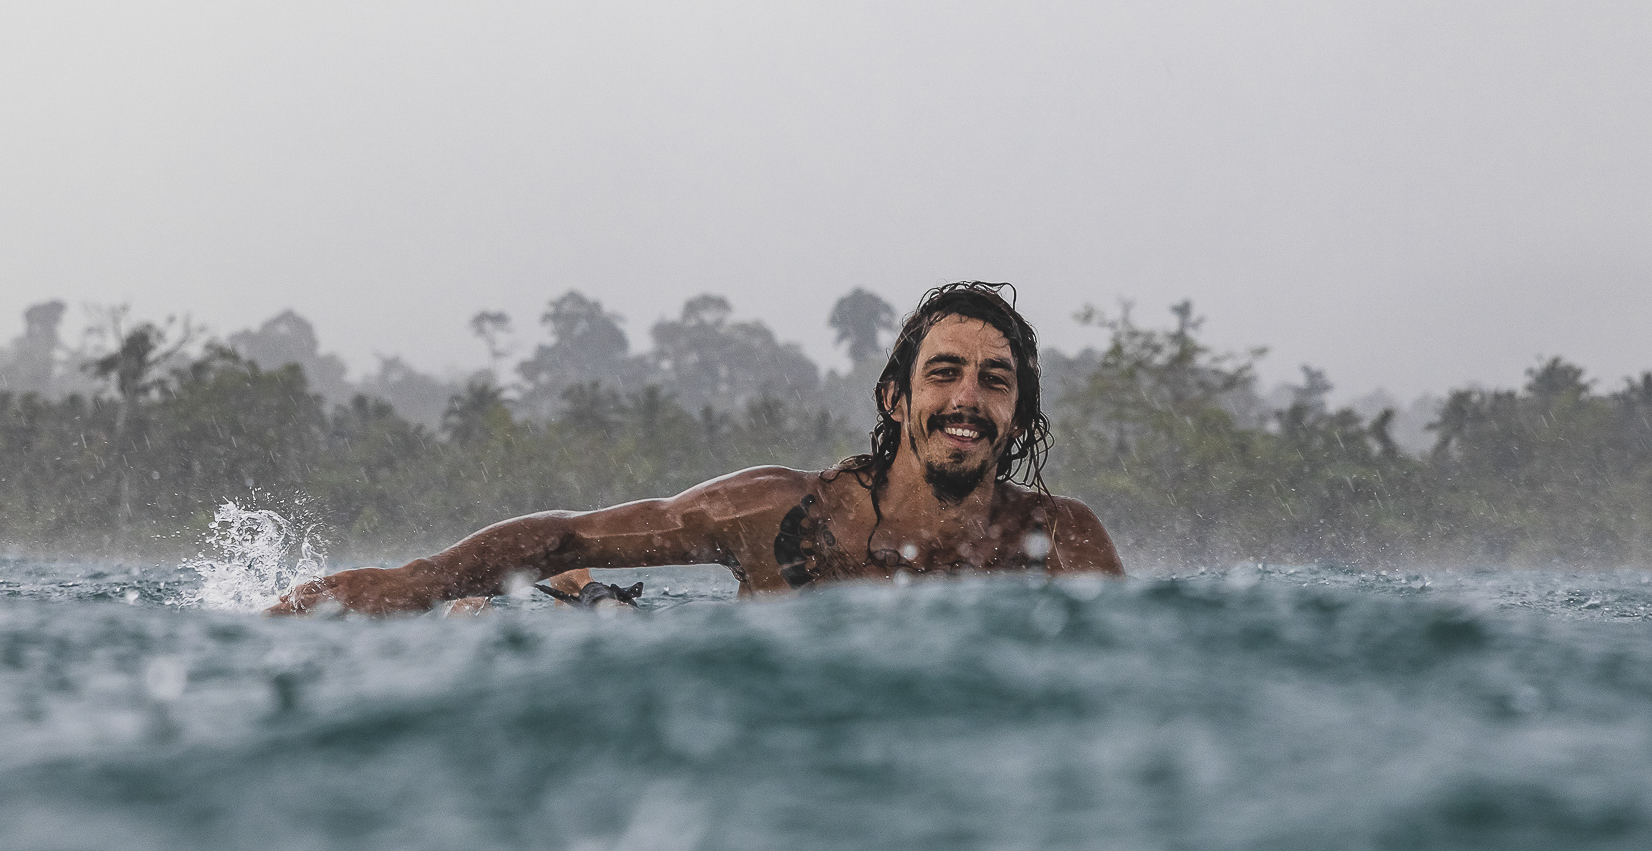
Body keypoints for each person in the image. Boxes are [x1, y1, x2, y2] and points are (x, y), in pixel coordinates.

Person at [268, 281, 1121, 617]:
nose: (968, 399)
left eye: (994, 382)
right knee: (563, 604)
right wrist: (412, 585)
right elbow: (570, 533)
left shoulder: (1058, 544)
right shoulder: (782, 515)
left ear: (1017, 415)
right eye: (945, 374)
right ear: (896, 400)